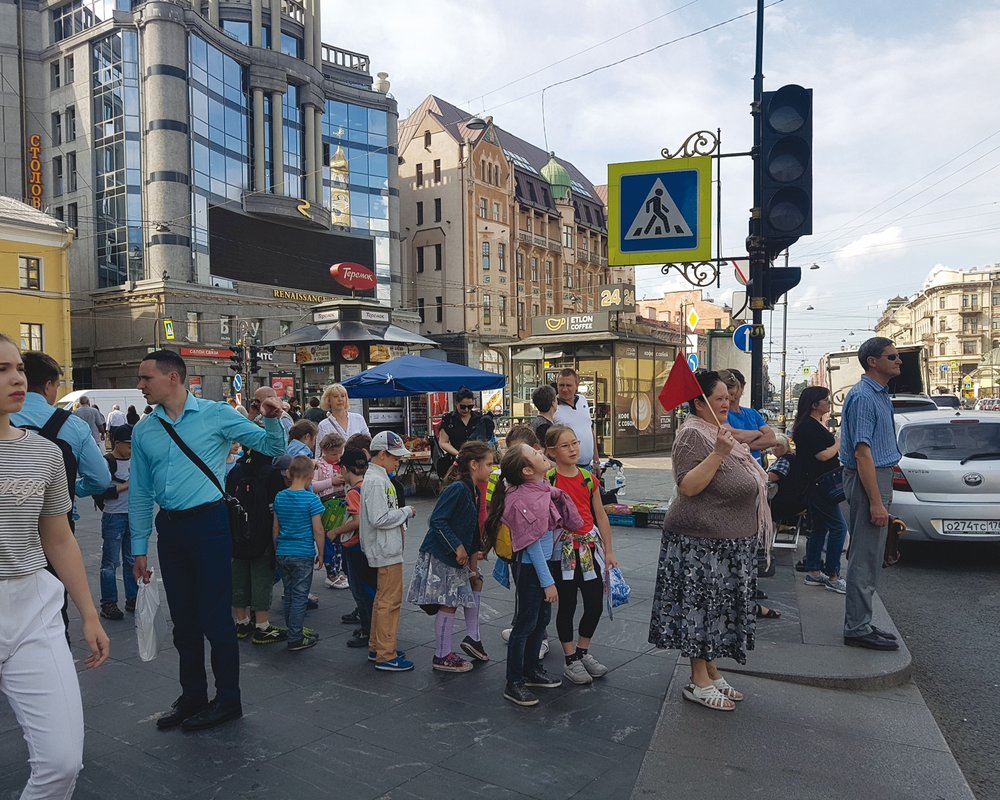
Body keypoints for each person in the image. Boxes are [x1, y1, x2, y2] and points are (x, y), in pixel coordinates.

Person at [129, 349, 288, 732]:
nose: (140, 385)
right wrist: (139, 547)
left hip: (210, 525)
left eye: (145, 378)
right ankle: (193, 696)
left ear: (172, 378)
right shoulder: (144, 429)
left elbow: (273, 449)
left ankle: (228, 700)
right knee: (183, 619)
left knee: (216, 618)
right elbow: (139, 491)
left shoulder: (216, 414)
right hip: (171, 529)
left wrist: (272, 419)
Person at [0, 333, 110, 797]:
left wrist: (88, 613)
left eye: (17, 368)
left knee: (63, 762)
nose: (16, 378)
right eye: (1, 370)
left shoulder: (42, 452)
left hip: (32, 608)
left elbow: (58, 536)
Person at [648, 370, 771, 712]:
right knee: (702, 613)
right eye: (719, 398)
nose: (727, 403)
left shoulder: (717, 430)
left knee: (717, 612)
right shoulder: (692, 435)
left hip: (727, 541)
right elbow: (687, 486)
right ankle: (697, 680)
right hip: (701, 543)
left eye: (728, 398)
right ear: (699, 403)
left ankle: (712, 671)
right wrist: (718, 454)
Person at [484, 443, 582, 706]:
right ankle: (513, 681)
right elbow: (533, 544)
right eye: (535, 454)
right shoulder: (521, 499)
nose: (541, 453)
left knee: (540, 620)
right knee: (525, 624)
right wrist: (548, 582)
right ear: (528, 470)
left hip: (544, 566)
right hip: (531, 569)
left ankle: (530, 671)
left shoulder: (541, 491)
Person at [406, 441, 494, 672]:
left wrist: (473, 565)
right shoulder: (458, 489)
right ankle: (442, 655)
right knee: (448, 603)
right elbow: (437, 520)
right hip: (443, 556)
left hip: (454, 557)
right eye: (489, 464)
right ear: (474, 465)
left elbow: (472, 531)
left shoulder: (471, 489)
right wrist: (458, 547)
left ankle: (466, 642)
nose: (492, 469)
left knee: (458, 596)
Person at [839, 337, 902, 651]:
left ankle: (862, 621)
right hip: (869, 479)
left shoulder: (879, 394)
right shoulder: (864, 396)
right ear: (873, 361)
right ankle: (857, 628)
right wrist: (876, 502)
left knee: (872, 555)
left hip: (877, 477)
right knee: (864, 557)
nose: (898, 361)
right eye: (892, 357)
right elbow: (862, 453)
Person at [544, 424, 617, 685]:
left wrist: (608, 550)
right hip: (562, 552)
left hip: (589, 549)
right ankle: (570, 658)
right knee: (568, 605)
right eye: (565, 445)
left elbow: (601, 515)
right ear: (551, 452)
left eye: (575, 443)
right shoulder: (548, 480)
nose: (573, 448)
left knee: (595, 602)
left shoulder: (588, 478)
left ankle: (583, 651)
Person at [359, 431, 416, 671]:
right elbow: (379, 518)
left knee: (383, 600)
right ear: (382, 454)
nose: (397, 462)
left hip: (385, 547)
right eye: (395, 457)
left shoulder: (376, 478)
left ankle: (378, 646)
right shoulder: (376, 481)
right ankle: (385, 653)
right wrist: (406, 512)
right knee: (389, 602)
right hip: (385, 548)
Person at [793, 386, 848, 595]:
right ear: (814, 404)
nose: (829, 403)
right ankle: (833, 575)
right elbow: (822, 455)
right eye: (826, 400)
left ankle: (814, 572)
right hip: (820, 486)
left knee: (819, 529)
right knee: (838, 528)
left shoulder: (813, 424)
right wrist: (838, 444)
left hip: (817, 484)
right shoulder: (808, 426)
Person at [272, 455, 326, 652]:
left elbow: (276, 528)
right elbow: (318, 530)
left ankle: (293, 629)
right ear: (311, 476)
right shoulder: (311, 499)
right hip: (302, 553)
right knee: (300, 596)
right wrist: (321, 553)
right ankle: (295, 636)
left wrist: (277, 548)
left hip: (283, 552)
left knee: (288, 593)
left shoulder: (279, 497)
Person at [324, 447, 376, 649]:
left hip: (355, 548)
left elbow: (357, 521)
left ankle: (367, 630)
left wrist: (336, 531)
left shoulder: (354, 492)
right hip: (369, 546)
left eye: (340, 470)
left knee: (360, 592)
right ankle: (371, 628)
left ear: (346, 469)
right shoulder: (369, 485)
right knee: (369, 590)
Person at [97, 424, 137, 621]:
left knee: (131, 559)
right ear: (118, 443)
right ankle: (109, 603)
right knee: (110, 562)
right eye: (129, 445)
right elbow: (100, 491)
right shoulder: (106, 462)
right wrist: (125, 486)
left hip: (133, 515)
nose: (132, 448)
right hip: (114, 516)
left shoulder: (136, 460)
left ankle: (133, 598)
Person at [718, 369, 777, 466]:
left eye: (734, 389)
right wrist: (758, 433)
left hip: (757, 471)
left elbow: (771, 438)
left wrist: (742, 447)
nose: (731, 396)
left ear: (741, 388)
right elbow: (733, 435)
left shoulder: (752, 413)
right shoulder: (721, 414)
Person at [314, 432, 349, 589]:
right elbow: (312, 485)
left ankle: (338, 570)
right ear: (324, 451)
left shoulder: (342, 464)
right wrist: (331, 481)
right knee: (329, 542)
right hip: (326, 509)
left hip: (341, 508)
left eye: (339, 452)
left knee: (339, 543)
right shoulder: (318, 465)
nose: (337, 456)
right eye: (333, 453)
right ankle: (331, 573)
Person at [436, 387, 494, 477]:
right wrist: (458, 454)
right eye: (463, 407)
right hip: (456, 461)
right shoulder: (448, 419)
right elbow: (443, 442)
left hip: (477, 460)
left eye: (470, 407)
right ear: (456, 403)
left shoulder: (479, 418)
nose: (466, 410)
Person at [552, 368, 600, 474]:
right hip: (569, 469)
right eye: (561, 385)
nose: (564, 389)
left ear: (576, 386)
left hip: (589, 466)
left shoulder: (582, 400)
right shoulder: (553, 407)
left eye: (568, 385)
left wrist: (596, 460)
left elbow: (589, 429)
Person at [316, 383, 370, 454]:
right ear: (328, 400)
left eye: (343, 396)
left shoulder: (358, 418)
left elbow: (369, 443)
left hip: (358, 463)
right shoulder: (323, 425)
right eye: (335, 396)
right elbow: (319, 453)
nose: (340, 399)